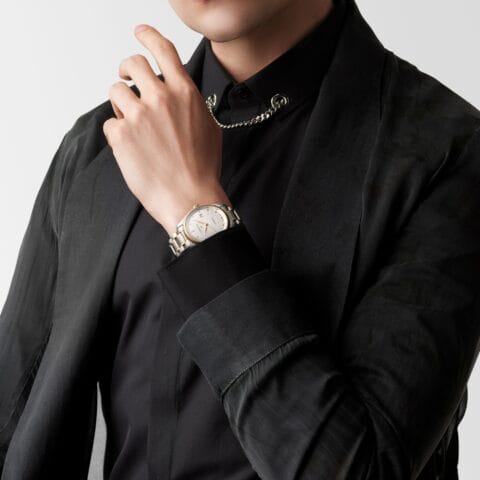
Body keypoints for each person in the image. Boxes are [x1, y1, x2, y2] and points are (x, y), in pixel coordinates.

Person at [1, 0, 479, 478]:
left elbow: (360, 468)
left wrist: (195, 214)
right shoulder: (100, 144)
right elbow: (12, 422)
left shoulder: (447, 153)